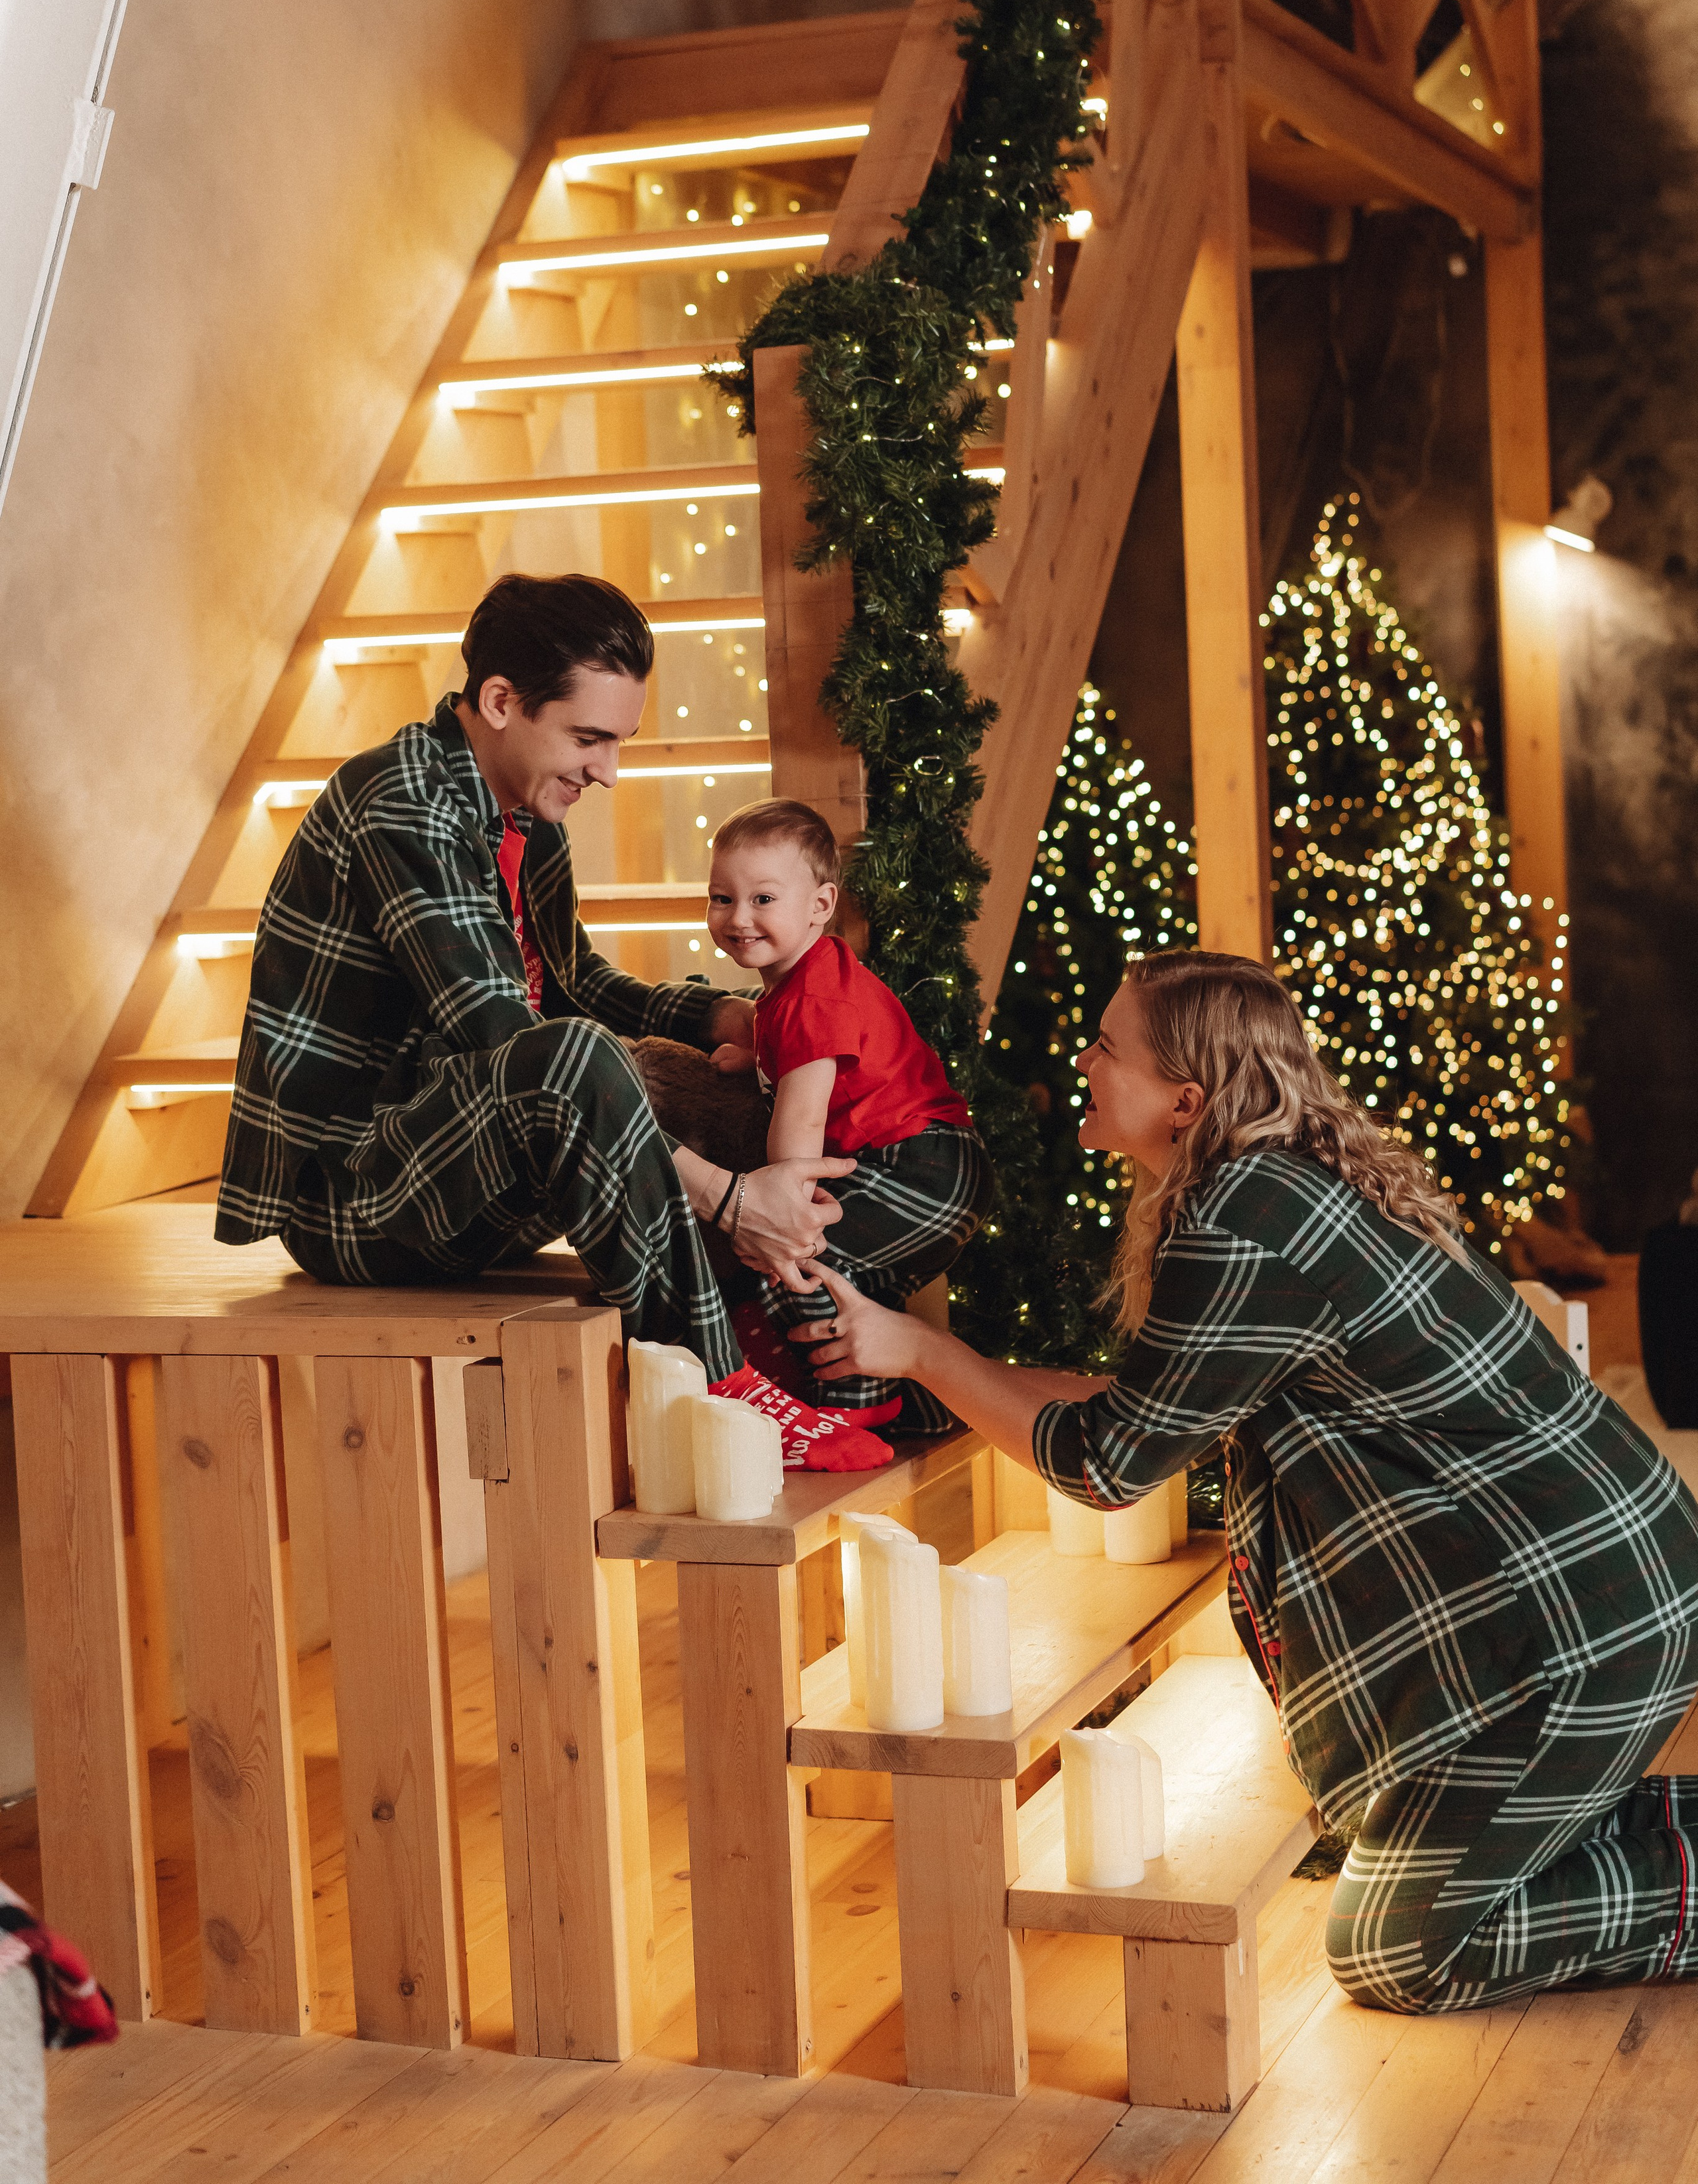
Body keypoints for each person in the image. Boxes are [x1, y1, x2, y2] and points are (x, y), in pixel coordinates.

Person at [803, 948, 1698, 2013]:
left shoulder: (1241, 1221)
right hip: (1611, 1578)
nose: (1083, 1061)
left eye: (1106, 1047)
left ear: (1186, 1099)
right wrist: (911, 1346)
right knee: (1447, 1859)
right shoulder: (1272, 1185)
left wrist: (923, 1357)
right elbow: (1145, 1404)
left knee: (1396, 1954)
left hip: (1578, 1623)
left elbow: (1106, 1465)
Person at [215, 572, 866, 1403]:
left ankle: (814, 1363)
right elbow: (506, 1035)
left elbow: (573, 985)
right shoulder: (401, 803)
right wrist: (727, 1199)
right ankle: (716, 1399)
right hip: (360, 1193)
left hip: (472, 1155)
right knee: (573, 1062)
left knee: (752, 1087)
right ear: (498, 700)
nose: (610, 772)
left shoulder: (526, 814)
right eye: (590, 738)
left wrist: (727, 1017)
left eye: (620, 741)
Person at [703, 797, 992, 1432]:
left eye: (763, 900)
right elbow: (820, 1059)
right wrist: (755, 1054)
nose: (739, 918)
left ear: (821, 905)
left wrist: (784, 1209)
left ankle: (853, 1410)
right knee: (837, 1274)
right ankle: (920, 1409)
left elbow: (800, 1126)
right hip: (927, 1164)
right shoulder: (801, 985)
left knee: (794, 1262)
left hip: (921, 1168)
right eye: (722, 898)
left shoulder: (810, 995)